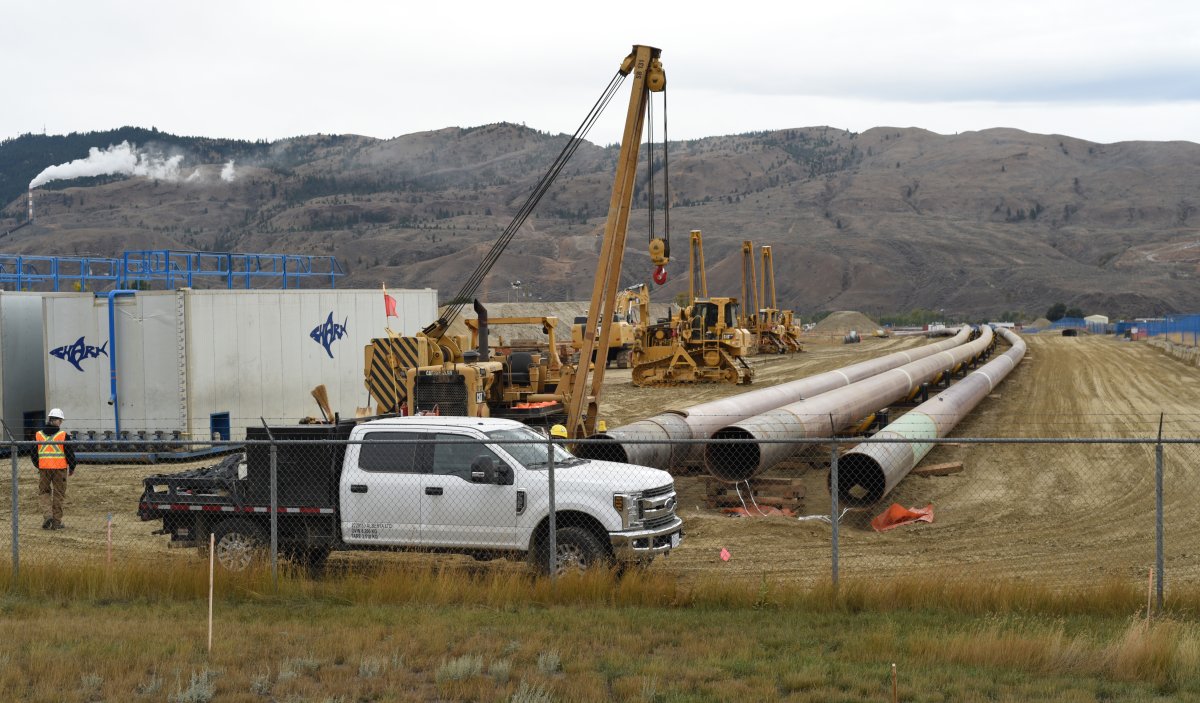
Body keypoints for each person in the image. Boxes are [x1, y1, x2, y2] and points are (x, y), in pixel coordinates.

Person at [32, 408, 76, 530]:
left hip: (44, 469)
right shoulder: (63, 435)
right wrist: (72, 466)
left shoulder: (38, 435)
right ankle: (56, 522)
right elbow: (69, 453)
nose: (61, 423)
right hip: (59, 469)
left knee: (44, 492)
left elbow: (33, 454)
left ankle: (47, 516)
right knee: (59, 494)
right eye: (60, 420)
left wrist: (39, 465)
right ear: (56, 420)